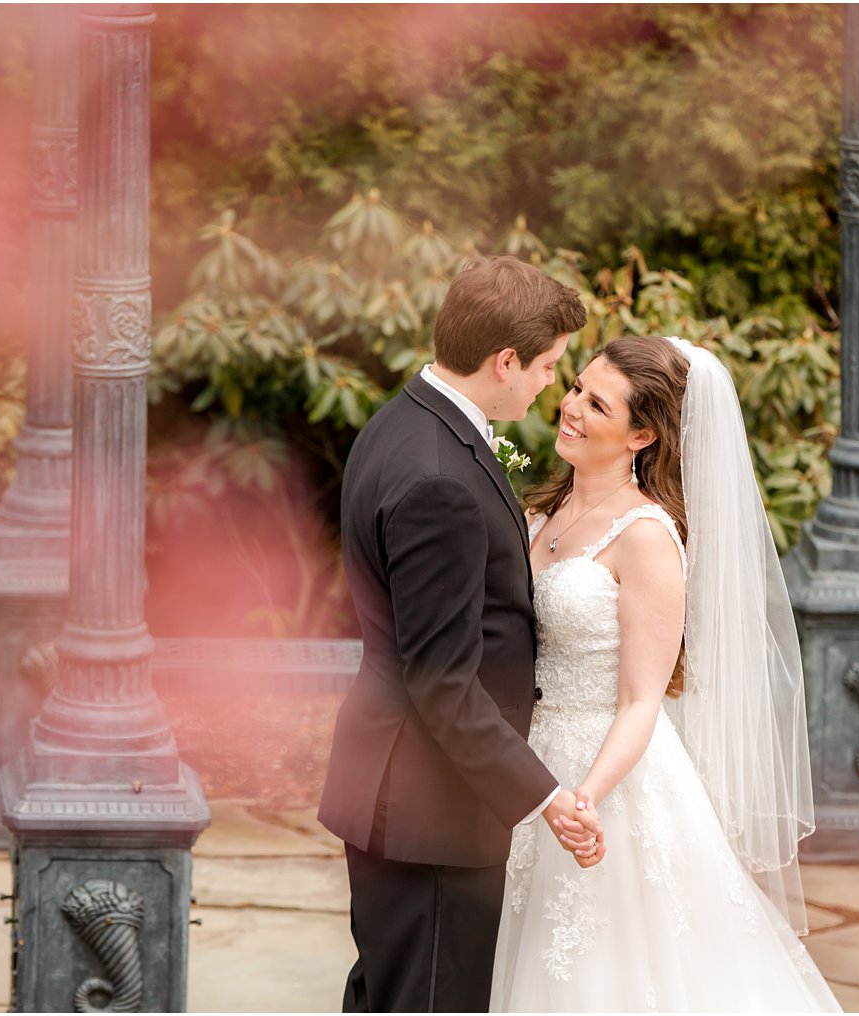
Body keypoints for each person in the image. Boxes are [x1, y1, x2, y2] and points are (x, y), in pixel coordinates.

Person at [489, 335, 841, 1012]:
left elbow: (641, 701)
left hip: (606, 781)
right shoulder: (540, 511)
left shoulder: (647, 537)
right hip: (528, 767)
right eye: (575, 388)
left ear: (641, 435)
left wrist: (583, 799)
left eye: (597, 404)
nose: (571, 407)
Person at [318, 255, 606, 1013]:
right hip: (431, 807)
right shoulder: (440, 477)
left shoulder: (406, 420)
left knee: (389, 992)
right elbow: (442, 681)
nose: (552, 384)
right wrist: (542, 794)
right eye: (547, 366)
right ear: (504, 361)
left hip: (399, 786)